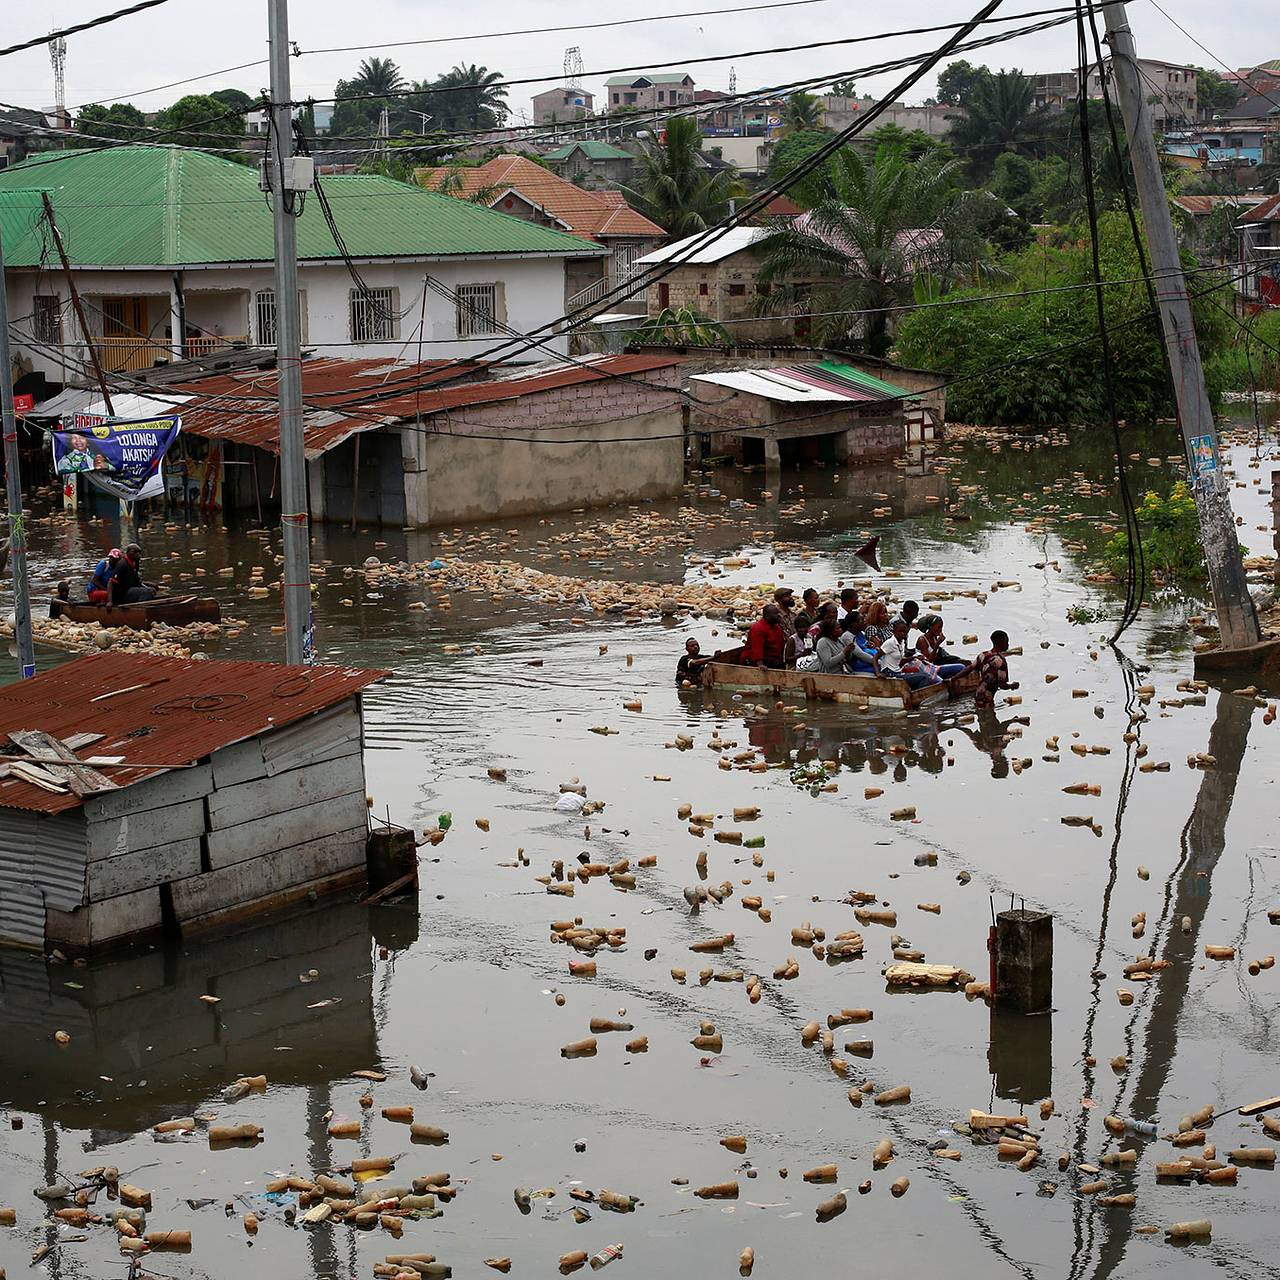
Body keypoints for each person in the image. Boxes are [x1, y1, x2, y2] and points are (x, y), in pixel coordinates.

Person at [879, 618, 937, 690]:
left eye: (904, 632)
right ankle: (918, 696)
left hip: (897, 672)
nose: (902, 633)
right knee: (925, 677)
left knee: (922, 674)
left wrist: (914, 657)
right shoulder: (890, 642)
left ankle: (914, 693)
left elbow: (901, 661)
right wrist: (878, 673)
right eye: (900, 631)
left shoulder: (901, 642)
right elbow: (875, 658)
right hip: (890, 674)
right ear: (893, 631)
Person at [974, 630, 1018, 708]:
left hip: (978, 694)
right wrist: (1012, 686)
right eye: (1006, 642)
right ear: (1000, 642)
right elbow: (1002, 685)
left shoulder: (984, 655)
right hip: (987, 698)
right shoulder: (1001, 662)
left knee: (982, 716)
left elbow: (969, 668)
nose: (1008, 644)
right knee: (988, 717)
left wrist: (952, 679)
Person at [741, 602, 787, 670]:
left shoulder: (777, 627)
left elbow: (781, 643)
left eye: (778, 613)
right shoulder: (758, 628)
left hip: (772, 657)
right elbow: (757, 647)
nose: (778, 615)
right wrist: (760, 664)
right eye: (775, 614)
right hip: (754, 659)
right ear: (767, 616)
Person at [840, 612, 881, 676]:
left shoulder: (860, 633)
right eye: (861, 620)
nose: (864, 622)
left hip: (869, 663)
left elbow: (864, 645)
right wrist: (878, 662)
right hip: (859, 666)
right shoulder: (847, 636)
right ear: (853, 624)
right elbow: (859, 654)